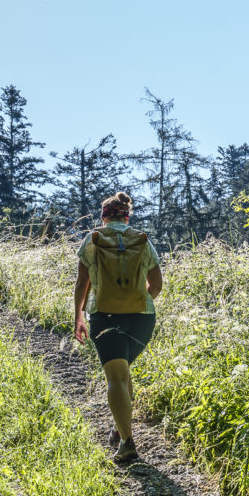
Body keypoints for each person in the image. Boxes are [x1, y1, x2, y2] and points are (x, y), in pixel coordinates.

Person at [72, 191, 162, 463]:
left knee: (116, 377)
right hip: (142, 318)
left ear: (103, 217)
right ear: (127, 216)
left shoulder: (93, 239)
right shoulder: (142, 240)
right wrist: (138, 300)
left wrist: (78, 315)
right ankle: (120, 425)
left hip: (105, 316)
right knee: (123, 373)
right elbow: (156, 285)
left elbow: (82, 282)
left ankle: (127, 442)